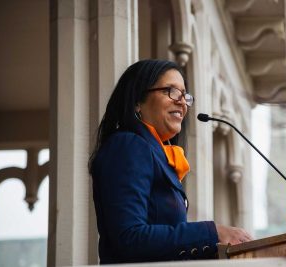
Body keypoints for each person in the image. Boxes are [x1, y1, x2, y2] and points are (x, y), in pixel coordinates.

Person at [89, 59, 252, 264]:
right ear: (137, 101)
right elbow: (129, 237)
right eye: (171, 91)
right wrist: (212, 232)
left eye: (185, 95)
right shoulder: (129, 145)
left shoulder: (157, 153)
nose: (182, 102)